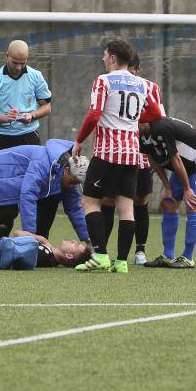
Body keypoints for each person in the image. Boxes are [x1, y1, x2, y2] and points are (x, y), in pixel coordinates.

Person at [72, 38, 162, 274]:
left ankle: (101, 255)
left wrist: (79, 140)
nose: (102, 59)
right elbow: (153, 112)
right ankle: (121, 262)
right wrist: (132, 121)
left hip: (107, 154)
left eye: (104, 55)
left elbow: (93, 115)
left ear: (112, 57)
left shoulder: (103, 81)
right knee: (126, 207)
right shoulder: (143, 85)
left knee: (90, 201)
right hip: (132, 154)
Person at [0, 39, 53, 238]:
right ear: (6, 57)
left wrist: (33, 115)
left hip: (29, 140)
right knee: (6, 199)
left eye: (23, 63)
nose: (19, 67)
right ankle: (0, 240)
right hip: (3, 140)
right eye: (15, 62)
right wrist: (5, 118)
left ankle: (37, 240)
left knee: (33, 191)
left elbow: (47, 106)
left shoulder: (36, 76)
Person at [99, 53, 166, 265]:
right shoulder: (108, 83)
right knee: (108, 200)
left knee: (140, 199)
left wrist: (131, 123)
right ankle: (102, 251)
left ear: (136, 69)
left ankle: (139, 251)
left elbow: (156, 121)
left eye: (131, 72)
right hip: (113, 154)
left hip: (140, 155)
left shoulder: (149, 88)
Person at [139, 116, 196, 269]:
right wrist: (167, 187)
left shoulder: (161, 128)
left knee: (193, 203)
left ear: (145, 120)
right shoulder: (140, 133)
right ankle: (168, 255)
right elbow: (152, 159)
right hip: (183, 164)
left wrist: (187, 189)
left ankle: (188, 257)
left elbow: (175, 158)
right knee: (169, 203)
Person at [0, 139, 90, 244]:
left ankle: (37, 247)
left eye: (76, 184)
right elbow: (28, 194)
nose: (71, 186)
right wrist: (29, 234)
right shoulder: (43, 164)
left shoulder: (69, 174)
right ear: (66, 170)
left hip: (22, 176)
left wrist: (88, 239)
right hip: (4, 169)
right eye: (72, 182)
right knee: (8, 212)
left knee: (52, 200)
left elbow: (74, 208)